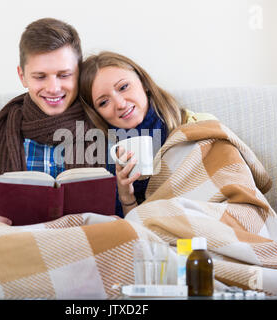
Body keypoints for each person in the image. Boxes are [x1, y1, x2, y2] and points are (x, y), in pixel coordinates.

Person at [0, 18, 101, 230]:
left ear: (79, 74)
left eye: (64, 75)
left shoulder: (101, 131)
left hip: (86, 252)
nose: (53, 87)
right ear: (22, 76)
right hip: (13, 253)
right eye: (40, 77)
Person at [79, 51, 216, 216]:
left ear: (143, 82)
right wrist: (126, 196)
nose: (120, 104)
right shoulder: (105, 158)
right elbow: (138, 231)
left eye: (123, 87)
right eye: (104, 102)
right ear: (97, 113)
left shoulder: (197, 125)